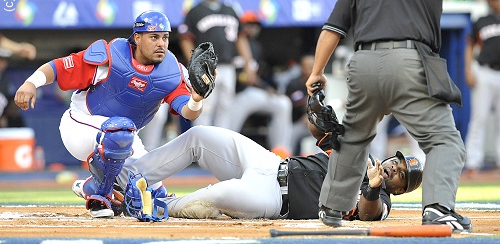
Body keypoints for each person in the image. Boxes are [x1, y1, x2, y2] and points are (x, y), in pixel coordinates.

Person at [305, 0, 481, 233]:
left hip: (363, 63)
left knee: (354, 137)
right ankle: (438, 210)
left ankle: (331, 208)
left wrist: (317, 72)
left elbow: (332, 29)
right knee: (443, 139)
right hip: (409, 60)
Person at [14, 10, 209, 218]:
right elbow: (60, 67)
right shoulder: (111, 56)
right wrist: (31, 83)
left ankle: (91, 186)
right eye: (154, 37)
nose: (161, 43)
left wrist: (197, 99)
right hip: (80, 126)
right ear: (137, 38)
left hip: (123, 137)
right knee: (120, 131)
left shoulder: (171, 72)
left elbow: (188, 113)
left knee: (154, 194)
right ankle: (100, 195)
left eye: (165, 37)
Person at [106, 120, 423, 220]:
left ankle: (153, 207)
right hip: (270, 163)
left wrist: (371, 186)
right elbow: (322, 137)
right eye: (398, 162)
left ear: (399, 188)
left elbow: (369, 214)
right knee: (200, 136)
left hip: (273, 199)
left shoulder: (381, 200)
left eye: (401, 175)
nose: (395, 168)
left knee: (218, 195)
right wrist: (321, 120)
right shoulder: (361, 159)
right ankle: (124, 177)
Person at [178, 0, 256, 129]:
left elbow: (241, 38)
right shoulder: (195, 11)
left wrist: (248, 63)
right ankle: (202, 145)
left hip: (228, 65)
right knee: (204, 107)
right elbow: (186, 39)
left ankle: (220, 147)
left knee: (225, 108)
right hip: (205, 68)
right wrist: (194, 64)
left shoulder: (230, 9)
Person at [227, 11, 293, 156]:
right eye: (248, 24)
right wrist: (248, 79)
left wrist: (266, 88)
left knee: (283, 103)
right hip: (232, 95)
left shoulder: (256, 47)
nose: (251, 28)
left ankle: (280, 152)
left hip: (250, 93)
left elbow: (254, 76)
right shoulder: (230, 44)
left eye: (255, 25)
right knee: (227, 131)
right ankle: (224, 155)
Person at [464, 0, 500, 175]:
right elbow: (469, 46)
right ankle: (473, 163)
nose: (497, 1)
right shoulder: (482, 20)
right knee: (479, 118)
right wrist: (469, 70)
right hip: (485, 72)